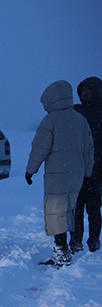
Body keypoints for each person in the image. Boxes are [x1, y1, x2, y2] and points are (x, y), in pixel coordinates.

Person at [25, 80, 94, 267]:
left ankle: (61, 250)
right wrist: (87, 173)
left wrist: (31, 170)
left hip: (58, 175)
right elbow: (89, 149)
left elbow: (40, 148)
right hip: (77, 174)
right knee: (70, 209)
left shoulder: (50, 121)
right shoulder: (80, 119)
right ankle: (67, 246)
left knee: (55, 210)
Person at [71, 76, 102, 252]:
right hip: (76, 169)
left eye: (88, 91)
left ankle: (94, 240)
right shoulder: (76, 111)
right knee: (76, 209)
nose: (85, 94)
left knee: (94, 209)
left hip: (97, 171)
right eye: (82, 90)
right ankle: (75, 240)